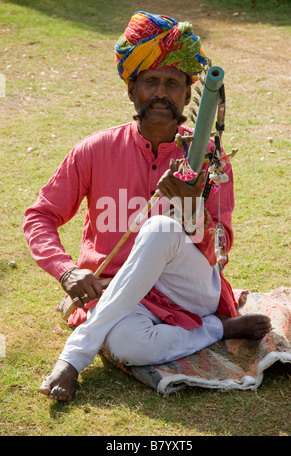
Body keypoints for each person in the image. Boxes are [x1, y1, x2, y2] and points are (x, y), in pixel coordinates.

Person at [23, 11, 271, 402]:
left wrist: (194, 217)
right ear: (131, 90)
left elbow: (222, 245)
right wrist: (67, 271)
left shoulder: (207, 157)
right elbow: (40, 216)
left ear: (188, 95)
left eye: (172, 83)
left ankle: (72, 358)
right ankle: (219, 329)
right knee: (127, 346)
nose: (161, 93)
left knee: (160, 230)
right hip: (120, 291)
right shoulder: (94, 149)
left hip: (190, 287)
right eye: (150, 81)